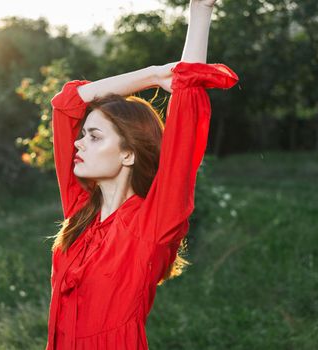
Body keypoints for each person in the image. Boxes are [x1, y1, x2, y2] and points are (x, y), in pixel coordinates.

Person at [46, 0, 238, 348]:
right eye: (82, 134)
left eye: (95, 136)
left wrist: (200, 10)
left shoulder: (150, 224)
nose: (78, 144)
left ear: (129, 154)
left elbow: (186, 116)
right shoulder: (80, 213)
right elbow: (66, 106)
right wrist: (151, 75)